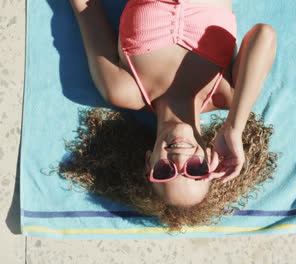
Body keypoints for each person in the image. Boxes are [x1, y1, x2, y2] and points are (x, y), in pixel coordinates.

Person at [65, 0, 278, 231]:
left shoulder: (123, 89)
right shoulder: (226, 95)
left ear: (149, 162)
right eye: (196, 170)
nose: (179, 160)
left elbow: (87, 8)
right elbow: (264, 36)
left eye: (166, 171)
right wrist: (234, 126)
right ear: (209, 158)